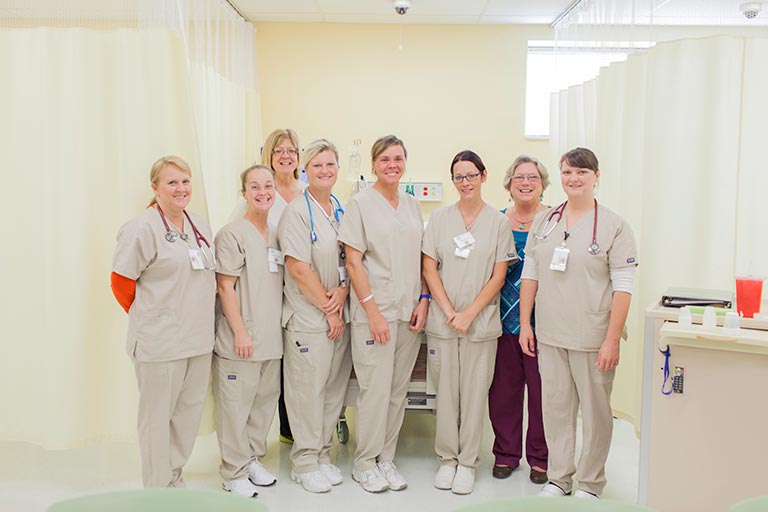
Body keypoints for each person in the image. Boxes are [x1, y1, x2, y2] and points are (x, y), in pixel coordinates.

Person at [519, 147, 638, 500]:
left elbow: (624, 285)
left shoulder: (614, 226)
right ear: (560, 174)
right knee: (555, 409)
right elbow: (531, 271)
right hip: (551, 334)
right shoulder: (546, 221)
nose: (574, 179)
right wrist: (526, 323)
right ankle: (559, 478)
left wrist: (612, 339)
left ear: (596, 177)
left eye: (582, 173)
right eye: (568, 172)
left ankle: (589, 482)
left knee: (597, 413)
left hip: (592, 335)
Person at [111, 155, 215, 488]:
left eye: (185, 181)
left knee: (187, 415)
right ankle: (157, 491)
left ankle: (173, 476)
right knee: (157, 419)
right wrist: (153, 315)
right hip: (161, 341)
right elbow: (120, 282)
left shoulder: (198, 224)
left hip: (197, 338)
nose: (180, 188)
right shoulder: (142, 227)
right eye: (172, 182)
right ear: (155, 188)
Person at [338, 135, 429, 493]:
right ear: (374, 164)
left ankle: (385, 459)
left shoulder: (410, 204)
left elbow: (422, 257)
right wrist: (373, 311)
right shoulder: (359, 204)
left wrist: (422, 299)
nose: (393, 164)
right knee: (374, 391)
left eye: (398, 158)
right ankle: (365, 462)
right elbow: (353, 261)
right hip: (374, 312)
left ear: (405, 162)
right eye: (385, 159)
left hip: (407, 312)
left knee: (396, 390)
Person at [422, 150, 515, 495]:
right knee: (446, 393)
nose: (465, 183)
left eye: (471, 175)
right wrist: (449, 312)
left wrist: (469, 313)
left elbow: (498, 274)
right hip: (444, 321)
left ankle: (467, 462)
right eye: (459, 177)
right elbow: (429, 268)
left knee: (475, 394)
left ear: (483, 176)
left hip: (481, 322)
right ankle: (447, 459)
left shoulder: (498, 222)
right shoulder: (440, 220)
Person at [277, 139, 352, 494]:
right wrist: (329, 307)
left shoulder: (339, 207)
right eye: (317, 165)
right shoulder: (296, 211)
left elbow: (350, 260)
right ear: (305, 170)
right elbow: (298, 268)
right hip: (310, 317)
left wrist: (342, 293)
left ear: (338, 169)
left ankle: (323, 454)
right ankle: (304, 461)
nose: (324, 171)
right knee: (307, 391)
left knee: (332, 389)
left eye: (330, 164)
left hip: (336, 310)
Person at [212, 164, 283, 497]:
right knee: (235, 408)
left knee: (263, 403)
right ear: (244, 194)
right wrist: (240, 332)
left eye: (267, 186)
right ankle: (233, 470)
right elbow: (225, 287)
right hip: (241, 338)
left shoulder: (276, 234)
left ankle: (252, 457)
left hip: (271, 336)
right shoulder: (232, 234)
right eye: (255, 187)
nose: (263, 192)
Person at [488, 156, 550, 484]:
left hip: (545, 322)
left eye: (532, 177)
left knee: (543, 394)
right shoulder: (497, 222)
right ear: (509, 184)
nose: (525, 183)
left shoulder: (555, 220)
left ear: (543, 183)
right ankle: (506, 454)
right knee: (503, 392)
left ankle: (540, 458)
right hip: (501, 320)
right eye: (518, 178)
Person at [262, 128, 303, 444]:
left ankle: (305, 426)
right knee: (276, 360)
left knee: (302, 359)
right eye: (278, 151)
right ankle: (285, 427)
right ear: (269, 157)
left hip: (305, 287)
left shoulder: (309, 191)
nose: (285, 156)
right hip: (271, 286)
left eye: (290, 150)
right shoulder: (262, 191)